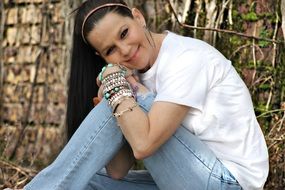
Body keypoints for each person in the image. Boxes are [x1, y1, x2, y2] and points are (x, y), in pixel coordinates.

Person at [24, 0, 269, 189]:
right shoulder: (134, 76)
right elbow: (118, 170)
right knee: (86, 182)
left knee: (123, 95)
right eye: (111, 50)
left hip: (227, 182)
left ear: (138, 17)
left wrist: (116, 86)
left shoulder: (187, 58)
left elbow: (143, 145)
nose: (125, 49)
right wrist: (115, 100)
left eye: (124, 33)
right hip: (185, 178)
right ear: (102, 58)